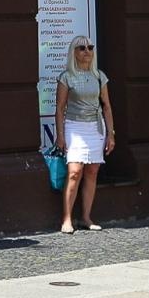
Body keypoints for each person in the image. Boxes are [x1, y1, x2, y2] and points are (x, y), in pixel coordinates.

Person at [54, 36, 114, 234]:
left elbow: (107, 106)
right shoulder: (66, 77)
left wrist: (111, 134)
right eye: (82, 48)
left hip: (96, 126)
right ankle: (66, 218)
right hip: (74, 126)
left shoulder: (99, 76)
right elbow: (60, 108)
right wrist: (60, 135)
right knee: (74, 171)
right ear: (74, 52)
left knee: (92, 171)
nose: (87, 51)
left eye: (90, 47)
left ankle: (86, 217)